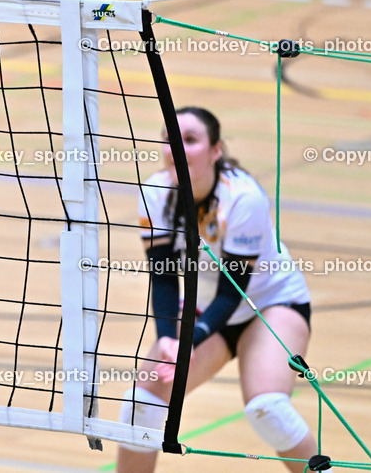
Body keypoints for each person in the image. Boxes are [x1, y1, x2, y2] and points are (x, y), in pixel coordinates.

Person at [117, 107, 315, 473]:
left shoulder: (243, 198)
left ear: (215, 151)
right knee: (140, 405)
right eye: (170, 140)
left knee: (267, 409)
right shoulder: (157, 193)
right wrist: (166, 339)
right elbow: (162, 276)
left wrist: (190, 342)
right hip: (205, 306)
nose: (177, 148)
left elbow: (233, 290)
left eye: (190, 140)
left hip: (270, 304)